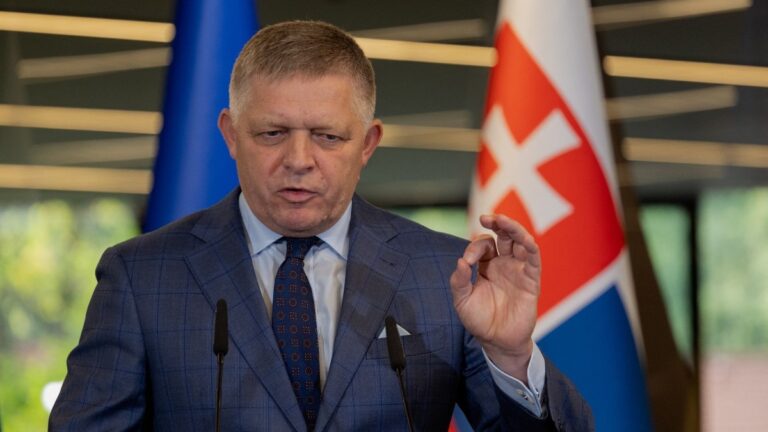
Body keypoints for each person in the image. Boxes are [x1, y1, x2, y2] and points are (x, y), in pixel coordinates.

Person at [50, 20, 593, 431]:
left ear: (368, 143)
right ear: (231, 135)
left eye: (327, 137)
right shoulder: (142, 276)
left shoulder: (443, 274)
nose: (298, 160)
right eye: (272, 134)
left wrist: (512, 357)